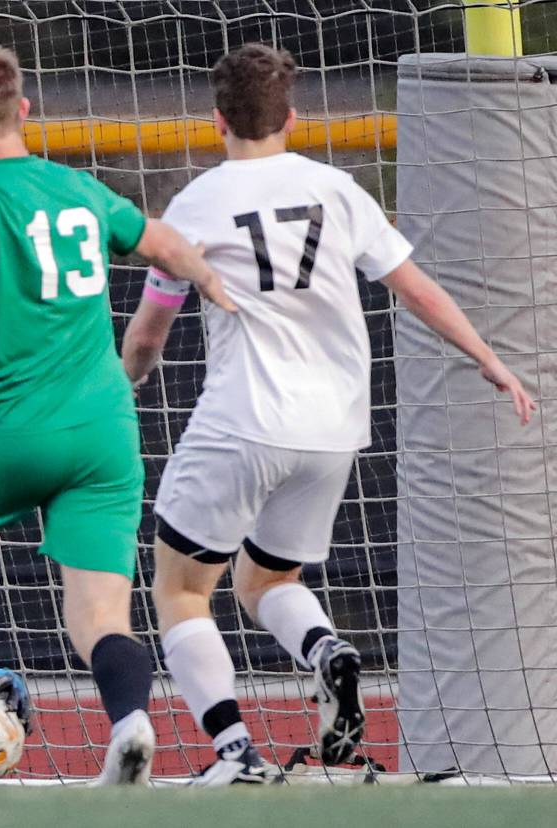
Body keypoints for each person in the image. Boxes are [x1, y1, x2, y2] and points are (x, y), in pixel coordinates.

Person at [121, 44, 536, 787]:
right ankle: (326, 653)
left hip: (244, 421)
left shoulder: (196, 205)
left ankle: (234, 753)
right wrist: (489, 357)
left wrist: (123, 388)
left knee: (181, 590)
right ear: (293, 118)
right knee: (265, 579)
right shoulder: (337, 189)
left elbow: (150, 333)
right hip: (334, 428)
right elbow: (417, 290)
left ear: (217, 120)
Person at [0, 34, 236, 785]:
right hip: (104, 430)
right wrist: (215, 285)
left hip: (17, 425)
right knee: (100, 616)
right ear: (24, 110)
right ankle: (131, 723)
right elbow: (163, 243)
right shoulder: (81, 190)